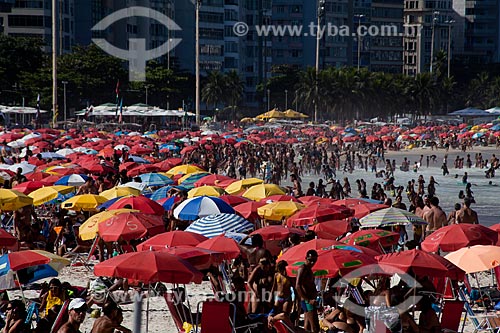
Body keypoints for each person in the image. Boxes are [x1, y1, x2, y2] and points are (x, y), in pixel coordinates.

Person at [296, 250, 319, 333]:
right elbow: (297, 286)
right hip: (308, 301)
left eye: (314, 260)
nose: (312, 262)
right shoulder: (303, 269)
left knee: (308, 326)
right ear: (306, 258)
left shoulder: (309, 269)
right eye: (310, 260)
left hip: (309, 300)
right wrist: (308, 300)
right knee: (315, 327)